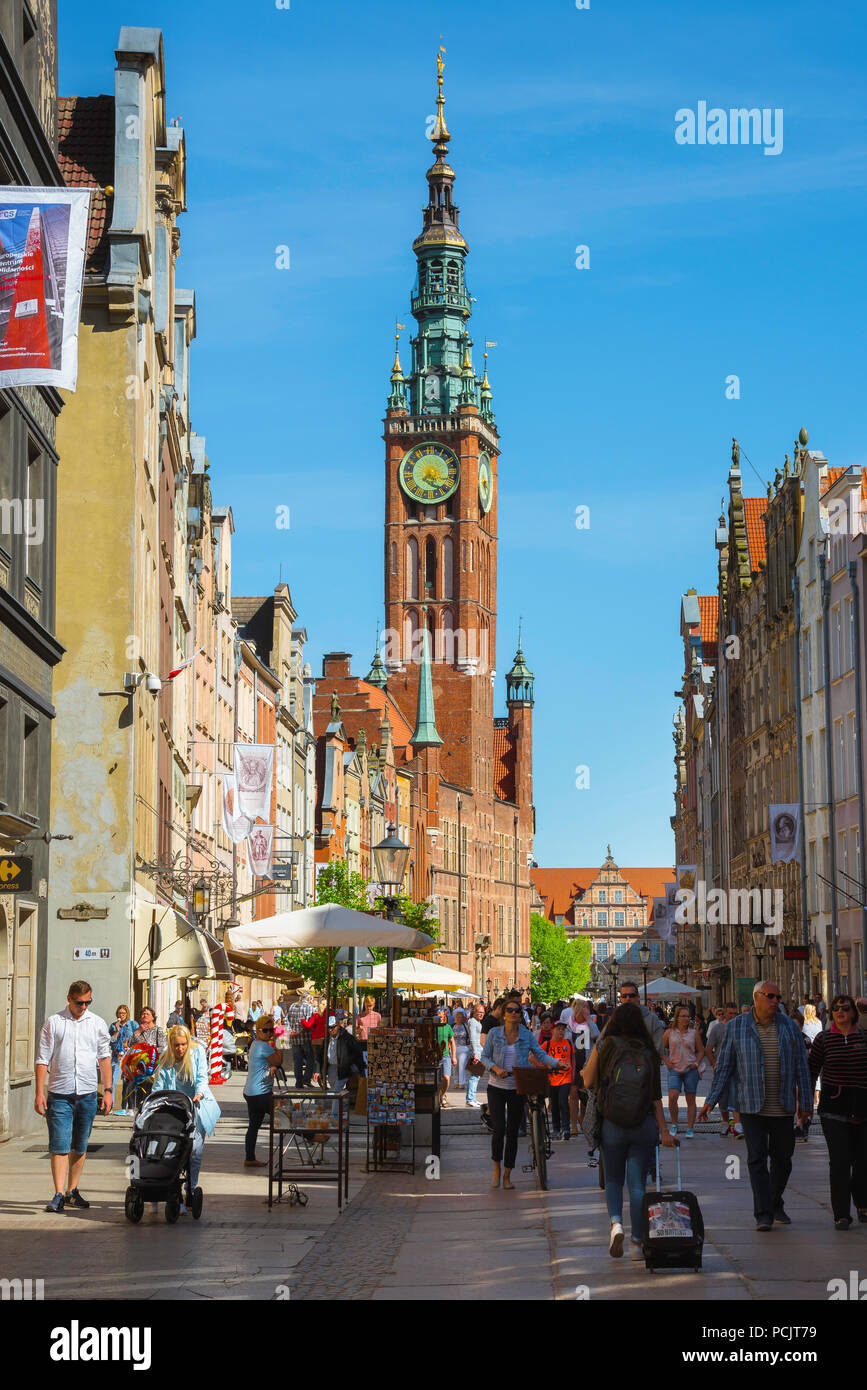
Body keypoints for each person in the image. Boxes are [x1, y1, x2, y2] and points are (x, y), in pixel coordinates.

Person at [698, 980, 812, 1230]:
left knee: (783, 1158)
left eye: (778, 997)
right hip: (750, 1106)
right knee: (757, 1158)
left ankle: (773, 1200)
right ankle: (763, 1213)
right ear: (757, 998)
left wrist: (805, 1102)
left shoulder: (789, 1028)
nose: (775, 1001)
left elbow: (802, 1066)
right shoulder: (737, 1027)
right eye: (771, 996)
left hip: (782, 1106)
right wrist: (710, 1101)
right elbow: (725, 1066)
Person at [582, 1002, 676, 1257]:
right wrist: (664, 1130)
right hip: (643, 1123)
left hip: (612, 1122)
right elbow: (656, 1097)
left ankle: (616, 1224)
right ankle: (636, 1240)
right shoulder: (648, 1050)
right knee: (637, 1185)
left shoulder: (606, 1045)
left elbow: (587, 1081)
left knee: (613, 1180)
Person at [35, 980, 113, 1213]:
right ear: (69, 999)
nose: (84, 1006)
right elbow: (42, 1059)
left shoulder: (97, 1023)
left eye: (88, 1002)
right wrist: (39, 1091)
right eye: (80, 1002)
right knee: (59, 1144)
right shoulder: (54, 1022)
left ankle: (72, 1190)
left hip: (87, 1092)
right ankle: (58, 1193)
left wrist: (108, 1090)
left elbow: (104, 1058)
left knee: (79, 1144)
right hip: (59, 1092)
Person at [481, 999, 565, 1189]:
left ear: (521, 1015)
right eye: (509, 1010)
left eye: (517, 1011)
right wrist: (495, 1067)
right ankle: (496, 1168)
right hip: (496, 1086)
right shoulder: (494, 1033)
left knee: (512, 1132)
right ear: (504, 1014)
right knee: (499, 1129)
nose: (513, 1013)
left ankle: (508, 1174)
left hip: (518, 1086)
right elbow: (485, 1056)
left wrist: (556, 1063)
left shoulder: (526, 1035)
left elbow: (540, 1054)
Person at [808, 994, 867, 1229]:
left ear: (854, 1012)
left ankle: (863, 1203)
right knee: (840, 1162)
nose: (839, 1011)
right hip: (833, 1110)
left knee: (862, 1161)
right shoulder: (824, 1039)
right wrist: (805, 1105)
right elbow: (812, 1071)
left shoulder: (864, 1037)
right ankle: (841, 1214)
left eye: (844, 1008)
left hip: (863, 1108)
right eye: (835, 1009)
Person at [151, 1025, 220, 1207]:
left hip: (195, 1105)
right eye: (176, 1045)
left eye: (183, 1045)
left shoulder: (197, 1052)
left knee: (195, 1152)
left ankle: (191, 1187)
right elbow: (159, 1084)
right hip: (174, 1108)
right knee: (172, 1150)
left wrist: (199, 1093)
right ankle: (173, 1190)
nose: (180, 1049)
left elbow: (201, 1078)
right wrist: (153, 1102)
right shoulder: (166, 1059)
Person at [242, 1014, 283, 1167]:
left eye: (271, 1030)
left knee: (254, 1125)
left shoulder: (255, 1044)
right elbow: (278, 1060)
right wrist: (278, 1046)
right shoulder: (264, 1046)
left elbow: (270, 1063)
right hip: (261, 1093)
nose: (269, 1033)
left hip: (251, 1091)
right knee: (285, 1117)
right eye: (265, 1030)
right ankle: (311, 1136)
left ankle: (250, 1157)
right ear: (258, 1031)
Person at [663, 1005, 706, 1136]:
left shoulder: (694, 1033)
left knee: (690, 1099)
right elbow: (659, 1048)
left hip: (690, 1069)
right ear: (677, 1017)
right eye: (683, 1016)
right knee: (672, 1097)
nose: (687, 1018)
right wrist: (667, 1062)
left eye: (688, 1016)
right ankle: (674, 1124)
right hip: (674, 1069)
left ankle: (690, 1128)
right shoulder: (669, 1032)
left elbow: (701, 1051)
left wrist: (697, 1063)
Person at [312, 1015, 365, 1116]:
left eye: (333, 1027)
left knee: (336, 1091)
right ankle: (342, 1110)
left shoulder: (347, 1038)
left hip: (343, 1068)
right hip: (332, 1068)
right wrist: (318, 1070)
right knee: (334, 1091)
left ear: (338, 1026)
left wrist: (357, 1068)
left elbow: (357, 1054)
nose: (331, 1030)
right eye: (329, 1027)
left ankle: (335, 1116)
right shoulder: (326, 1040)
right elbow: (320, 1056)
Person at [704, 1002, 742, 1136]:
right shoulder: (717, 1028)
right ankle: (725, 1122)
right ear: (724, 1013)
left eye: (735, 1013)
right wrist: (714, 1064)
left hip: (738, 1067)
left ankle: (737, 1125)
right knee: (723, 1096)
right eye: (730, 1013)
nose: (733, 1016)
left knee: (737, 1094)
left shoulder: (740, 1028)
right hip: (722, 1067)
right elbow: (708, 1049)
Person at [542, 1019, 574, 1140]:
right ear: (553, 1031)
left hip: (566, 1078)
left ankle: (566, 1128)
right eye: (558, 1029)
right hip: (552, 1079)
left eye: (563, 1029)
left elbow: (573, 1059)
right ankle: (556, 1129)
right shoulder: (547, 1044)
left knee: (563, 1102)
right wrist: (545, 1068)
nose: (561, 1031)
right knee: (554, 1104)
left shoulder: (569, 1043)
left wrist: (573, 1074)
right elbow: (534, 1057)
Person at [109, 1005, 137, 1117]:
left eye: (124, 1013)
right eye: (120, 1013)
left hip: (129, 1056)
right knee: (112, 1081)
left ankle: (127, 1107)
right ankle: (110, 1106)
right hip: (117, 1056)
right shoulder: (113, 1025)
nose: (121, 1015)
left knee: (128, 1082)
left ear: (127, 1014)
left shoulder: (132, 1025)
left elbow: (137, 1038)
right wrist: (116, 1030)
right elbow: (111, 1041)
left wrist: (130, 1047)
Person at [286, 990, 316, 1088]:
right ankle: (306, 1079)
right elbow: (308, 1023)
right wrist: (299, 1031)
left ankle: (298, 1082)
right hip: (305, 1037)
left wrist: (291, 1031)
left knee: (297, 1061)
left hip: (294, 1039)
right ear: (308, 998)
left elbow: (287, 1020)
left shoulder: (292, 1006)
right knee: (310, 1059)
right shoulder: (308, 1007)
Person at [354, 994, 382, 1072]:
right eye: (367, 1006)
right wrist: (359, 1030)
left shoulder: (378, 1016)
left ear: (374, 1005)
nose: (369, 1008)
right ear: (364, 1005)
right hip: (362, 1043)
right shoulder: (359, 1016)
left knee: (373, 1066)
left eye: (371, 1006)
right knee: (363, 1067)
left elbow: (380, 1030)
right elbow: (355, 1031)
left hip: (374, 1043)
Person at [436, 1007, 458, 1106]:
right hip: (434, 1056)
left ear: (444, 1016)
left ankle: (443, 1095)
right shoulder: (432, 1026)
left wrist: (454, 1056)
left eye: (441, 1016)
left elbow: (452, 1042)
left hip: (445, 1056)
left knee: (446, 1078)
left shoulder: (447, 1027)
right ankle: (438, 1096)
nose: (440, 1018)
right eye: (438, 1017)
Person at [466, 1003, 485, 1108]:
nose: (481, 1014)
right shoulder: (473, 1022)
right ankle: (470, 1098)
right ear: (474, 1012)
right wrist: (475, 1054)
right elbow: (473, 1038)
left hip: (479, 1050)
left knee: (476, 1076)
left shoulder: (477, 1022)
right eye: (479, 1012)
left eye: (482, 1012)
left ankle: (472, 1097)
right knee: (474, 1076)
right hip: (476, 1051)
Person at [453, 1010, 470, 1089]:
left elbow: (470, 1036)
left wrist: (470, 1047)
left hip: (463, 1048)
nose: (459, 1019)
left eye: (460, 1017)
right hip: (454, 1048)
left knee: (462, 1066)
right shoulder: (452, 1026)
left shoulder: (466, 1026)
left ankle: (462, 1083)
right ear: (455, 1018)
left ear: (463, 1018)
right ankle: (456, 1082)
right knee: (455, 1067)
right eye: (457, 1017)